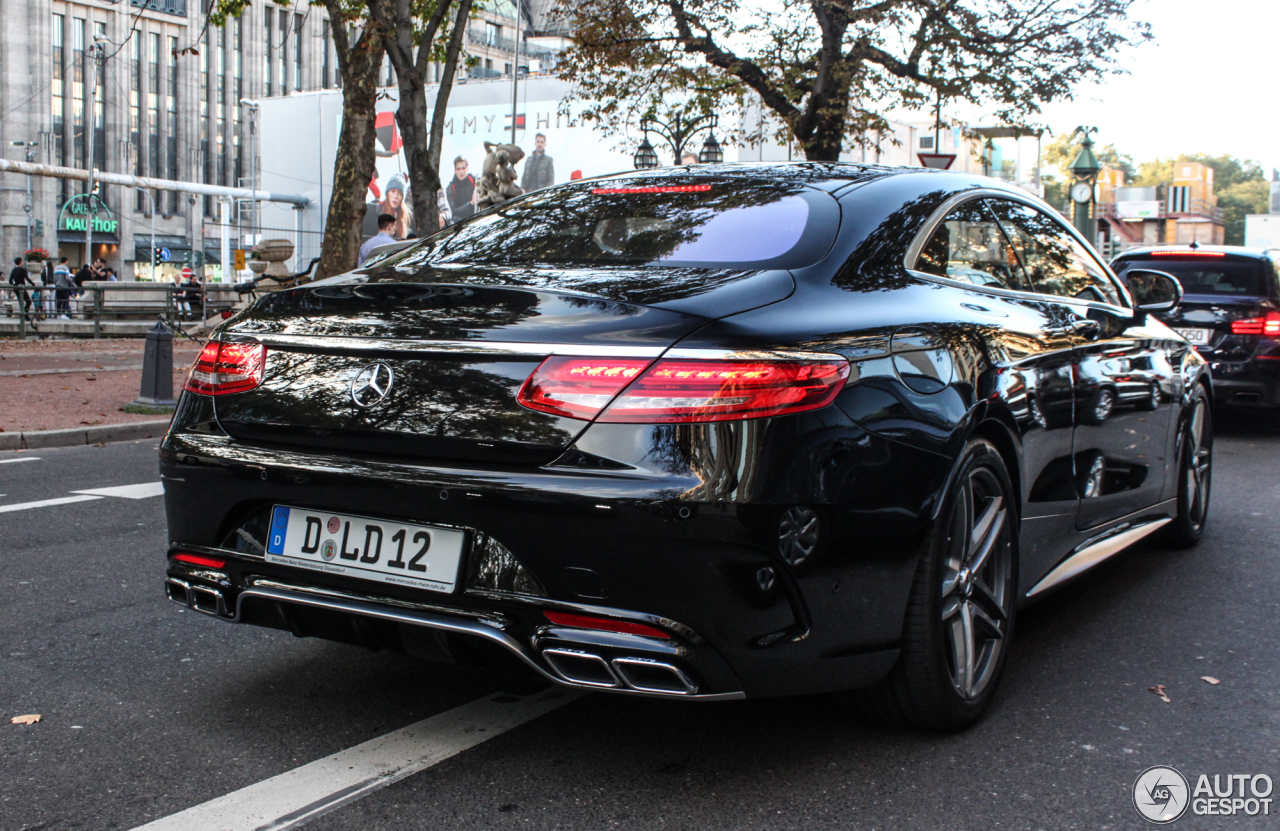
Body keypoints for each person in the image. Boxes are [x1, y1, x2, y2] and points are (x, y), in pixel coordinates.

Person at [446, 156, 477, 224]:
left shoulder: (475, 181)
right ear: (455, 171)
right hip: (460, 223)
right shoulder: (451, 188)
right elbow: (453, 211)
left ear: (467, 168)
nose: (461, 171)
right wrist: (471, 204)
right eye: (458, 169)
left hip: (477, 218)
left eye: (463, 168)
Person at [8, 257, 36, 325]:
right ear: (20, 262)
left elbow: (10, 280)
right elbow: (27, 278)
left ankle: (22, 314)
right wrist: (33, 284)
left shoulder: (14, 270)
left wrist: (14, 285)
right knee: (28, 301)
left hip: (16, 288)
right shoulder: (23, 270)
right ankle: (25, 315)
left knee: (21, 301)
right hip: (22, 288)